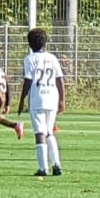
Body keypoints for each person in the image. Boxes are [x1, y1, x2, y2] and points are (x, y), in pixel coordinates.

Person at [15, 28, 66, 177]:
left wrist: (22, 100)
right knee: (49, 132)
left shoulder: (29, 59)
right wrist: (62, 99)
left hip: (38, 99)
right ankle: (56, 165)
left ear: (30, 44)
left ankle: (43, 168)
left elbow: (28, 81)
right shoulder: (52, 58)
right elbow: (60, 80)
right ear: (45, 42)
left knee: (40, 133)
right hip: (52, 98)